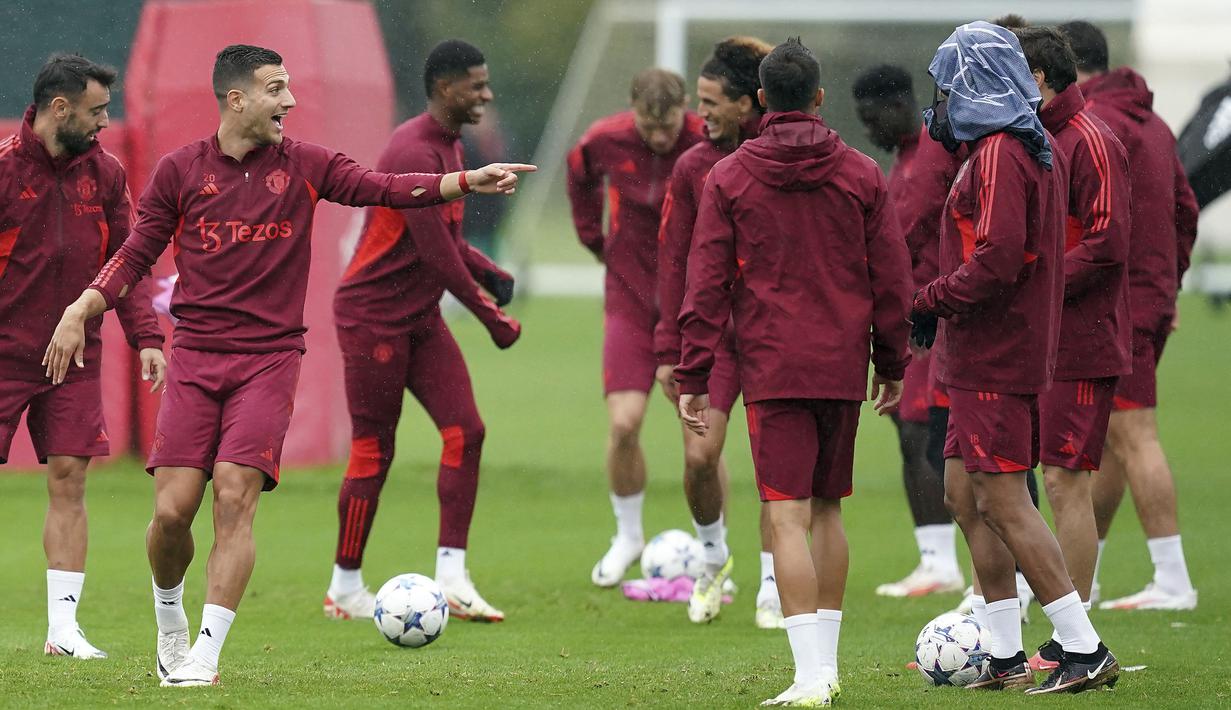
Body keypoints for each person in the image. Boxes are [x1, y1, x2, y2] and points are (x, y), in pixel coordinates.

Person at [43, 44, 533, 687]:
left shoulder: (307, 164)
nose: (291, 101)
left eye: (291, 88)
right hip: (195, 357)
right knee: (171, 513)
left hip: (270, 360)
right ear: (237, 98)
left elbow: (381, 188)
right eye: (277, 89)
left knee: (234, 493)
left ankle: (205, 659)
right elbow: (134, 253)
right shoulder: (180, 171)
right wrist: (83, 306)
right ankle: (170, 626)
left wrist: (466, 179)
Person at [676, 38, 912, 706]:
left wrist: (693, 373)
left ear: (759, 102)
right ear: (816, 98)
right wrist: (891, 362)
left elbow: (705, 283)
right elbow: (892, 277)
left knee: (785, 517)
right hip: (840, 363)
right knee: (829, 512)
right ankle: (825, 667)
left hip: (773, 365)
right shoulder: (862, 173)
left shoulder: (728, 178)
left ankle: (811, 676)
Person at [912, 21, 1118, 693]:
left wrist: (929, 299)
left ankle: (1081, 647)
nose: (940, 100)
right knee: (961, 494)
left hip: (994, 350)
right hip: (973, 348)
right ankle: (1001, 654)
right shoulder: (1008, 146)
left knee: (1002, 497)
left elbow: (999, 258)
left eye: (948, 84)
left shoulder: (1002, 151)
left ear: (975, 82)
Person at [326, 39, 519, 624]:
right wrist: (492, 318)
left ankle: (453, 578)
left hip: (419, 316)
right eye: (476, 84)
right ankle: (345, 586)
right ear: (444, 88)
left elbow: (447, 239)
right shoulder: (412, 147)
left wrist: (492, 273)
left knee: (468, 431)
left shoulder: (450, 144)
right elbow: (434, 252)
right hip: (372, 317)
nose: (486, 93)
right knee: (373, 449)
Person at [0, 53, 165, 660]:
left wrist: (147, 336)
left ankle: (62, 631)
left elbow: (129, 259)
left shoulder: (109, 174)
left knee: (69, 479)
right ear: (60, 108)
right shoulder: (3, 170)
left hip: (74, 356)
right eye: (96, 111)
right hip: (3, 353)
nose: (104, 122)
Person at [1059, 20, 1200, 612]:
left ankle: (1173, 580)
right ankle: (1085, 581)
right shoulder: (1155, 123)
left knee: (1134, 435)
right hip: (1151, 297)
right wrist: (1168, 285)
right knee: (1112, 440)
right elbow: (1185, 212)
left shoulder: (1095, 126)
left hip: (1118, 303)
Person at [1013, 25, 1133, 672]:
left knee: (1063, 481)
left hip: (1083, 341)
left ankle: (1073, 641)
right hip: (1045, 338)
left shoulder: (1089, 139)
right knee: (1042, 480)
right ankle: (1059, 629)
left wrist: (1035, 280)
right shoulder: (1037, 139)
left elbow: (1108, 242)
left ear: (1037, 78)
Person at [654, 36, 782, 628]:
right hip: (713, 339)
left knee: (775, 465)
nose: (697, 114)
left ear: (747, 103)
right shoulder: (692, 167)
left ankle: (776, 585)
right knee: (701, 456)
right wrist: (667, 347)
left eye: (709, 102)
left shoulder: (780, 158)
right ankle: (712, 559)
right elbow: (674, 260)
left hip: (775, 336)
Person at [567, 68, 706, 587]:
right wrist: (592, 237)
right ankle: (628, 535)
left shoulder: (708, 140)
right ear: (632, 112)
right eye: (650, 131)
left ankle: (713, 554)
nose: (659, 139)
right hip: (627, 297)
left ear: (685, 109)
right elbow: (577, 170)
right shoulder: (605, 139)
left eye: (667, 129)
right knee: (624, 423)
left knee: (701, 443)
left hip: (692, 300)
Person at [851, 64, 965, 599]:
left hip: (931, 320)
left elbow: (906, 238)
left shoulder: (931, 157)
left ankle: (945, 562)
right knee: (911, 434)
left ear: (899, 105)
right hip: (913, 318)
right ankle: (936, 558)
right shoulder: (903, 160)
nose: (869, 130)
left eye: (872, 118)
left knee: (922, 436)